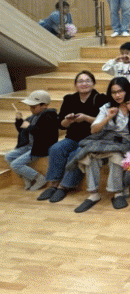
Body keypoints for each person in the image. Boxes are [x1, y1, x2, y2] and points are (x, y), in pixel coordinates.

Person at [36, 71, 109, 202]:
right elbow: (61, 125)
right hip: (72, 138)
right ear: (75, 85)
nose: (84, 83)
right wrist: (68, 120)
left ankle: (64, 186)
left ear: (93, 83)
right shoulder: (69, 99)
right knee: (55, 148)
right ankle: (54, 184)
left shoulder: (101, 99)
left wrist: (86, 118)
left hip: (92, 139)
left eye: (87, 80)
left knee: (76, 153)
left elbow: (105, 123)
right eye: (80, 81)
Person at [68, 77, 130, 212]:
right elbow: (94, 130)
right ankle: (93, 194)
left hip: (125, 142)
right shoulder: (107, 107)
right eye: (114, 92)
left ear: (127, 91)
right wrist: (108, 117)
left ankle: (117, 193)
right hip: (106, 139)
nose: (117, 95)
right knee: (91, 155)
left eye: (120, 91)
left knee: (116, 156)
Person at [6, 90, 59, 191]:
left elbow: (43, 134)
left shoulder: (50, 116)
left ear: (44, 105)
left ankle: (39, 178)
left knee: (15, 164)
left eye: (33, 107)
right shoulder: (33, 117)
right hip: (30, 146)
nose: (31, 109)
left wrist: (29, 126)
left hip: (41, 148)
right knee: (8, 156)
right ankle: (27, 177)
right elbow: (22, 130)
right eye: (30, 107)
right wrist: (19, 120)